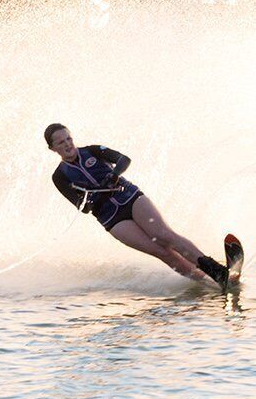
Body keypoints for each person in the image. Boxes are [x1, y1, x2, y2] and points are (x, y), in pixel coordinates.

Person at [44, 123, 240, 288]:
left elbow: (124, 160)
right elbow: (82, 207)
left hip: (129, 197)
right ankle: (208, 282)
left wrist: (113, 175)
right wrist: (91, 197)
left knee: (164, 236)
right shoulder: (59, 176)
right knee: (161, 252)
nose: (68, 144)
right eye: (61, 142)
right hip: (110, 217)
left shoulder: (92, 151)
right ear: (53, 148)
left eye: (69, 138)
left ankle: (218, 271)